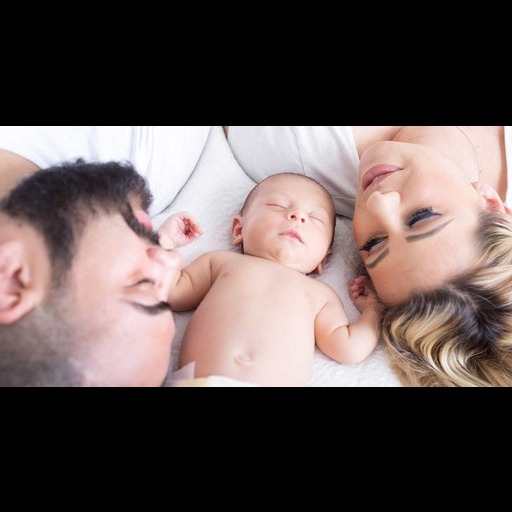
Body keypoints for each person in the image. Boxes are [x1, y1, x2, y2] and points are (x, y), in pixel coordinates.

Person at [225, 126, 512, 387]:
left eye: (374, 243)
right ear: (490, 203)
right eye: (421, 217)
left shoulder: (293, 144)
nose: (376, 203)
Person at [166, 172, 380, 387]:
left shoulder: (320, 295)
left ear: (323, 258)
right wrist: (165, 241)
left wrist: (373, 311)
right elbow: (170, 291)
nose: (298, 216)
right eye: (279, 206)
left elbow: (348, 347)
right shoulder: (219, 263)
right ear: (239, 229)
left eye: (315, 218)